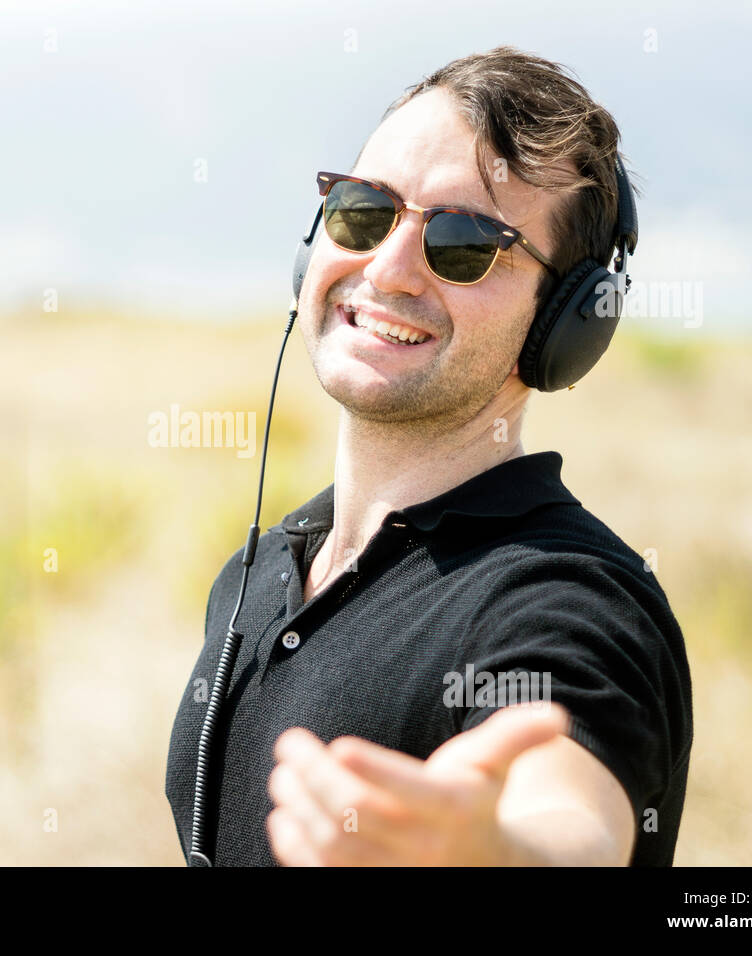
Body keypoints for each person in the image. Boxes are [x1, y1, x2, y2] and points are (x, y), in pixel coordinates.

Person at [165, 46, 693, 866]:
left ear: (568, 321)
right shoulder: (260, 572)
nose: (388, 268)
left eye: (464, 243)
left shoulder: (566, 597)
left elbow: (570, 817)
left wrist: (494, 853)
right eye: (364, 210)